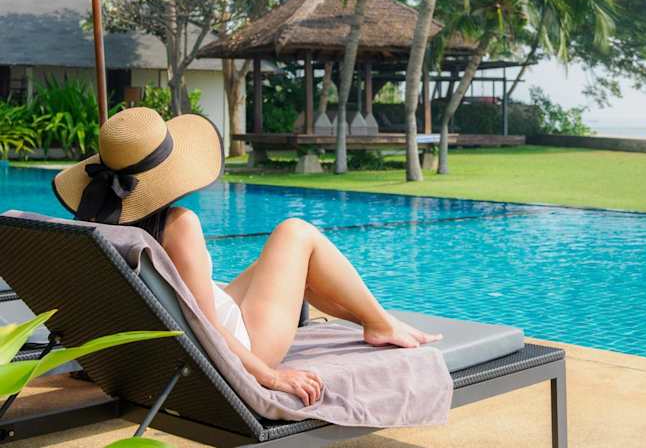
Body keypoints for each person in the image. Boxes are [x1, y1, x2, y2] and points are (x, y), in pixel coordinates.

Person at [53, 107, 441, 406]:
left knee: (296, 265)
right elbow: (204, 327)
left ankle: (376, 321)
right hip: (244, 344)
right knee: (297, 232)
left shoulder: (97, 225)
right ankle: (380, 324)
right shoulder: (178, 226)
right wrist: (269, 377)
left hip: (173, 339)